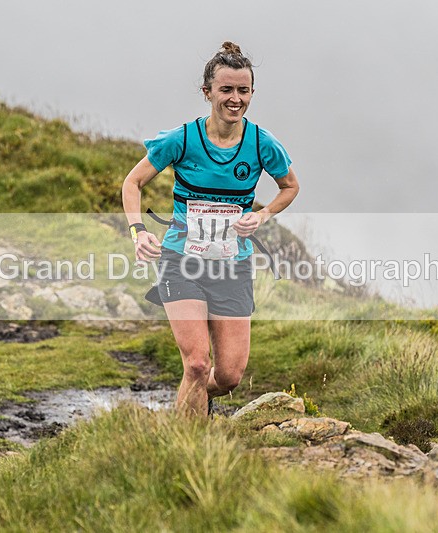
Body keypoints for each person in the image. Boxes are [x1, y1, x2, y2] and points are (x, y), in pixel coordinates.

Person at [121, 41, 300, 418]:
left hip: (232, 265)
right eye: (226, 90)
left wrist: (262, 215)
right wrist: (139, 231)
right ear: (208, 92)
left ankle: (192, 398)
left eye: (243, 90)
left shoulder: (261, 144)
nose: (235, 99)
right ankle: (186, 450)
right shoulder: (183, 139)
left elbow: (290, 187)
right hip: (181, 261)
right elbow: (132, 183)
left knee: (230, 376)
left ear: (251, 93)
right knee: (198, 364)